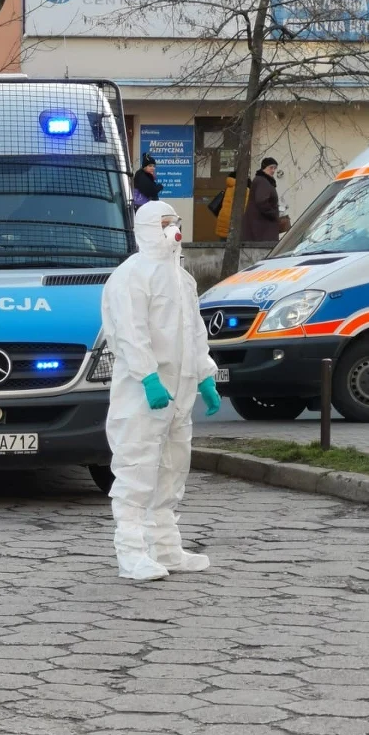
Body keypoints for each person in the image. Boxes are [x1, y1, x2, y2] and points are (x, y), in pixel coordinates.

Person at [101, 199, 222, 582]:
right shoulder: (130, 275)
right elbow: (129, 332)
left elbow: (194, 332)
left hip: (179, 392)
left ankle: (166, 547)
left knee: (172, 469)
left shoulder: (182, 278)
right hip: (142, 393)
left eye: (176, 222)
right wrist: (148, 376)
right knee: (137, 468)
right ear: (148, 228)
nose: (173, 230)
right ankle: (131, 553)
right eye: (165, 223)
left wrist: (204, 374)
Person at [242, 157, 281, 244]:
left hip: (260, 225)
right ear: (264, 168)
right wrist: (273, 214)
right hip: (262, 227)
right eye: (271, 167)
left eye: (275, 168)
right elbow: (261, 201)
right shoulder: (262, 181)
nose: (273, 170)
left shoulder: (262, 180)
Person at [215, 171, 249, 242]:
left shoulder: (229, 188)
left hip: (223, 219)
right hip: (234, 222)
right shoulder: (244, 189)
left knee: (223, 246)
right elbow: (245, 207)